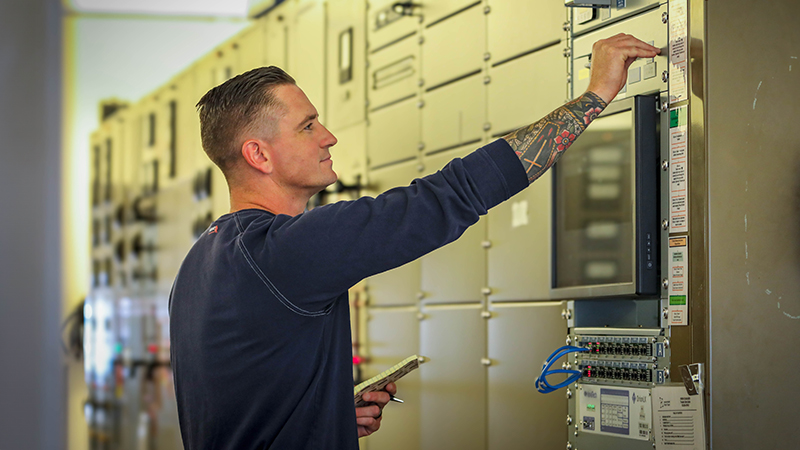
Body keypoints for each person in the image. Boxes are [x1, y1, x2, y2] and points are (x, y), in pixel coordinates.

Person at [169, 33, 660, 449]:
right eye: (308, 126)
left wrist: (330, 417)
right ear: (258, 154)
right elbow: (454, 193)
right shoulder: (285, 252)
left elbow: (241, 406)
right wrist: (595, 95)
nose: (329, 136)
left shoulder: (199, 263)